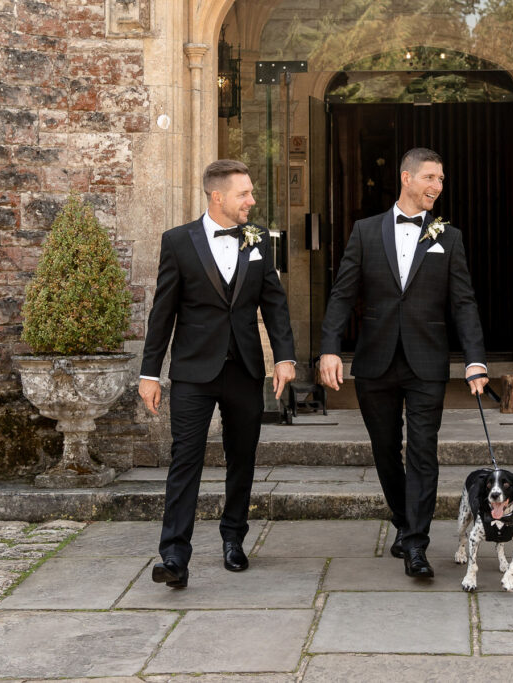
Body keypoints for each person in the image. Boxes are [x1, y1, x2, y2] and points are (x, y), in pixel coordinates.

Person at [319, 147, 488, 579]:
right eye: (431, 177)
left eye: (442, 179)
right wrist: (330, 348)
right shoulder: (365, 231)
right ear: (406, 178)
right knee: (384, 451)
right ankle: (403, 518)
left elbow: (464, 303)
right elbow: (342, 294)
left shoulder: (449, 237)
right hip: (375, 360)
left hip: (427, 361)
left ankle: (416, 544)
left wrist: (475, 361)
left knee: (423, 453)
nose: (438, 186)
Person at [139, 159, 295, 588]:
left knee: (241, 459)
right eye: (244, 193)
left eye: (251, 192)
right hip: (193, 370)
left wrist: (284, 358)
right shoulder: (178, 241)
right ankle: (173, 555)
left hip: (245, 367)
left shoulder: (258, 238)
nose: (252, 200)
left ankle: (234, 539)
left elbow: (274, 303)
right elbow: (163, 311)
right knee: (184, 458)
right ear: (217, 196)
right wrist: (149, 372)